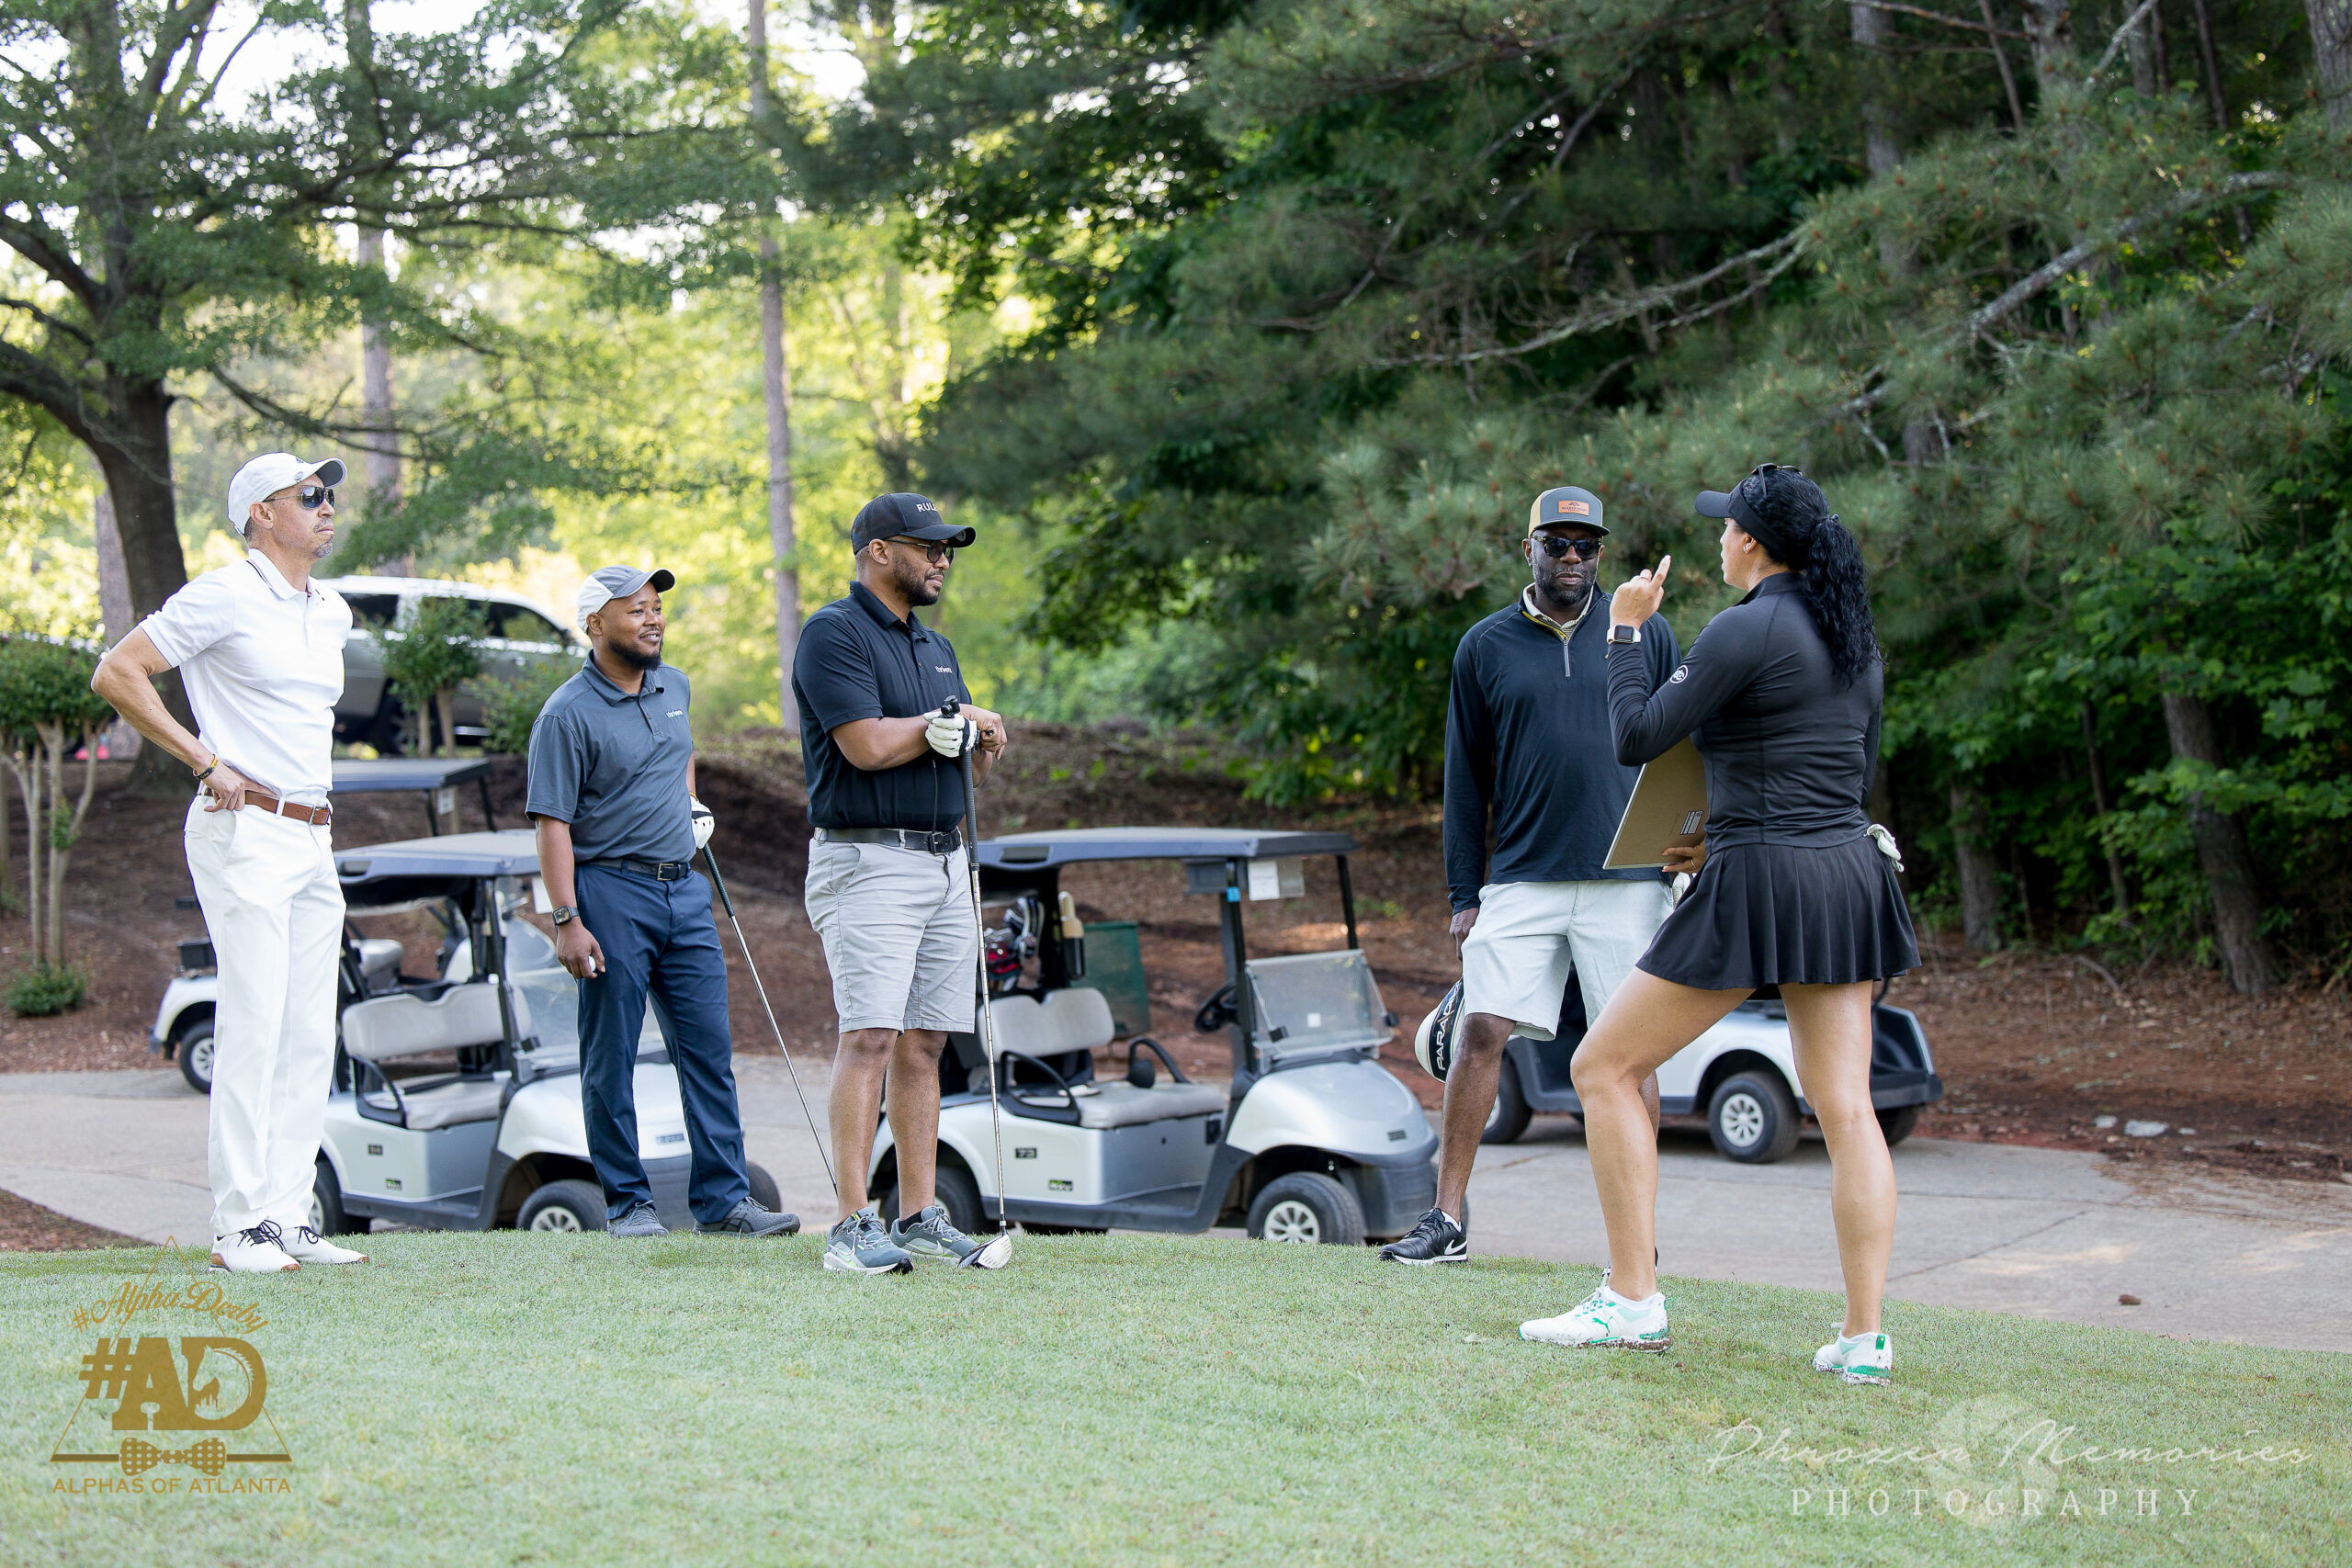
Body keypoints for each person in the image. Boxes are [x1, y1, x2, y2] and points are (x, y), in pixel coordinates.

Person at [1521, 464, 1917, 1386]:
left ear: (1750, 542)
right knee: (1846, 1107)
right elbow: (1839, 774)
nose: (1718, 539)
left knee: (1601, 1067)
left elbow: (1637, 734)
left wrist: (1626, 629)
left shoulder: (1744, 627)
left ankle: (1631, 1300)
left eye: (1725, 527)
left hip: (1764, 880)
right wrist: (1718, 830)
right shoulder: (1852, 635)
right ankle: (1864, 1340)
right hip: (1846, 877)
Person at [1380, 486, 1683, 1265]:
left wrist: (1686, 844)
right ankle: (1447, 1220)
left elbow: (1680, 747)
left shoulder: (1645, 633)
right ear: (1530, 550)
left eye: (1587, 544)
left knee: (1631, 1056)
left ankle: (1639, 1244)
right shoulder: (1484, 646)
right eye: (1558, 543)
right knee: (1482, 1029)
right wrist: (1463, 893)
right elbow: (1464, 779)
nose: (1574, 557)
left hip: (1629, 877)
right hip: (1521, 876)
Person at [89, 453, 370, 1273]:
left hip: (313, 831)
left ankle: (288, 1216)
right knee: (254, 1022)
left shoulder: (332, 610)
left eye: (327, 494)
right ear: (261, 514)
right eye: (307, 495)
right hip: (245, 827)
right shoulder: (223, 594)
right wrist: (204, 760)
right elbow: (118, 671)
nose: (325, 505)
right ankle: (239, 1225)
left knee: (311, 1030)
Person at [526, 566, 798, 1240]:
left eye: (655, 607)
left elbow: (681, 755)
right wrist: (566, 918)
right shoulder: (565, 713)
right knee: (611, 1055)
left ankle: (724, 1201)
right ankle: (628, 1204)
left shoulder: (673, 685)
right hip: (610, 892)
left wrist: (690, 803)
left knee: (708, 1048)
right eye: (636, 610)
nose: (653, 619)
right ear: (596, 625)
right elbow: (552, 823)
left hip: (685, 890)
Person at [793, 492, 1009, 1274]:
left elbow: (956, 768)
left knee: (927, 1042)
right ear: (879, 551)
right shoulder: (833, 633)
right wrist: (940, 722)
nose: (942, 558)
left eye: (947, 548)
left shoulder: (936, 646)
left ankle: (917, 1214)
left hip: (944, 860)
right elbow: (866, 746)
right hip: (868, 860)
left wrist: (980, 742)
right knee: (871, 1036)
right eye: (928, 546)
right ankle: (851, 1223)